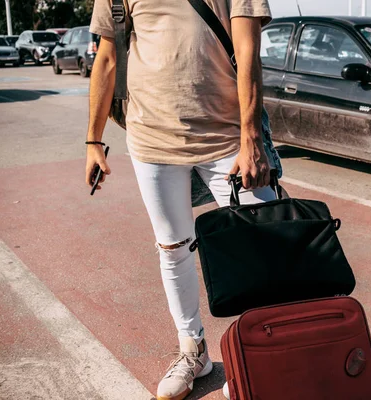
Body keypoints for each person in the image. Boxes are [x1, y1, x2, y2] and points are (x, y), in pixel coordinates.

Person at [84, 1, 275, 399]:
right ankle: (194, 350)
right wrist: (93, 140)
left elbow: (247, 50)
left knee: (264, 243)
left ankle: (265, 351)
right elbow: (107, 58)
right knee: (172, 247)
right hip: (151, 139)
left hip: (228, 139)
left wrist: (252, 139)